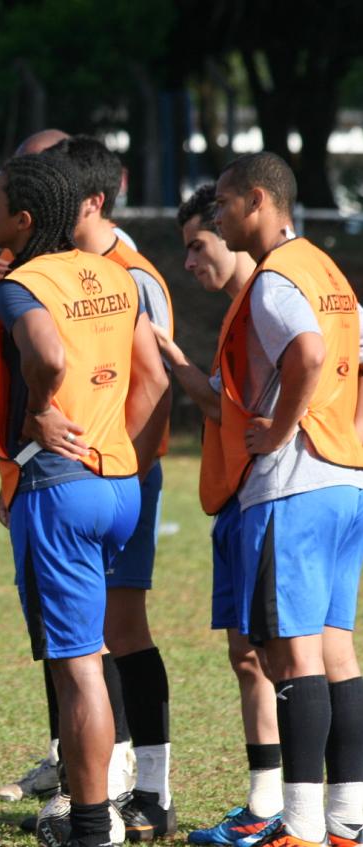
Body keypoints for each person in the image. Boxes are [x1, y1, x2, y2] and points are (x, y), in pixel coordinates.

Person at [0, 152, 169, 847]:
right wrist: (121, 455)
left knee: (76, 665)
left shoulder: (21, 284)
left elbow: (49, 357)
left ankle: (91, 826)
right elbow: (151, 378)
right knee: (88, 656)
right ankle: (96, 812)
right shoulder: (112, 276)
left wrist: (36, 411)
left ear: (23, 219)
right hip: (118, 483)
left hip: (60, 488)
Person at [205, 152, 363, 847]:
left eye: (222, 203)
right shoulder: (330, 271)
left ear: (258, 202)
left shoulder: (273, 280)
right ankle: (346, 818)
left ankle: (297, 824)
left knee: (295, 659)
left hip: (293, 485)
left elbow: (303, 351)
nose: (215, 216)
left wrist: (284, 422)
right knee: (337, 653)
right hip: (345, 478)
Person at [49, 135, 177, 842]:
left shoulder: (134, 276)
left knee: (122, 628)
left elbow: (154, 387)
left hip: (120, 475)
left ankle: (152, 790)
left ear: (93, 200)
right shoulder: (58, 268)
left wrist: (125, 461)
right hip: (74, 479)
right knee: (79, 635)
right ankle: (101, 784)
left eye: (60, 196)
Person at [153, 185, 284, 846]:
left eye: (196, 245)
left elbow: (334, 356)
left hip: (274, 499)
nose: (188, 262)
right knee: (248, 655)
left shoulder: (270, 294)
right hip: (238, 500)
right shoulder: (242, 307)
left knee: (281, 655)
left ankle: (300, 806)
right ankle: (265, 801)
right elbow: (221, 407)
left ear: (230, 227)